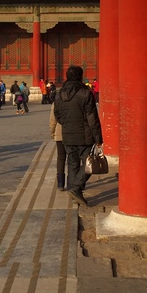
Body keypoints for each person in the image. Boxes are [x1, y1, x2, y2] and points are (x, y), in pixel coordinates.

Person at [53, 65, 102, 206]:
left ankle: (75, 193)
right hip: (84, 135)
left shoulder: (59, 94)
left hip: (67, 135)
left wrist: (67, 124)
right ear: (80, 76)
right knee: (89, 163)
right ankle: (75, 188)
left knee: (73, 163)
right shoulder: (86, 93)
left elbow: (57, 115)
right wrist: (98, 137)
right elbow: (92, 117)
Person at [50, 106, 66, 190]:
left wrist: (52, 132)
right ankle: (72, 182)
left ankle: (60, 183)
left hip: (59, 134)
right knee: (72, 159)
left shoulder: (56, 102)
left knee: (61, 157)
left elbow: (53, 120)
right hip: (73, 134)